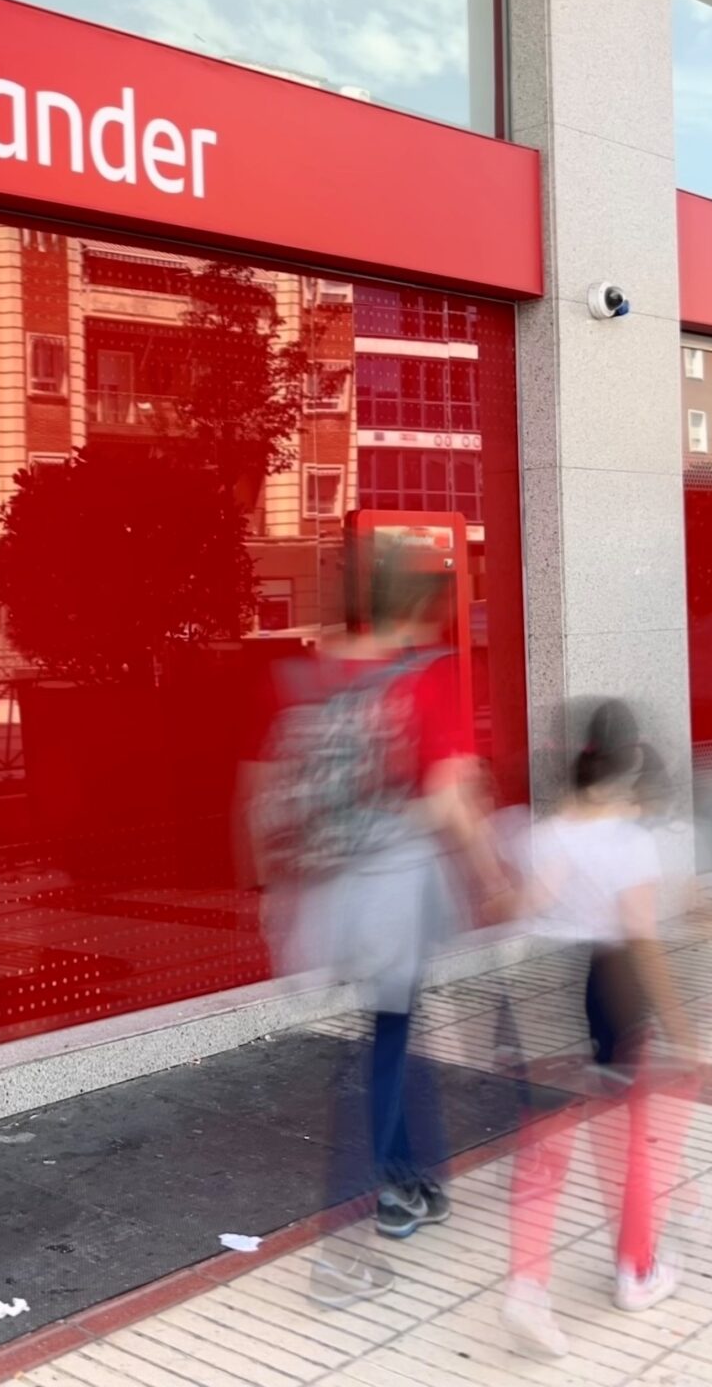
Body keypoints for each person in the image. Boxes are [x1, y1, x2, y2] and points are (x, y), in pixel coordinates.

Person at [253, 544, 510, 1307]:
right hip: (394, 887)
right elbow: (452, 795)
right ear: (417, 603)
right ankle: (379, 1201)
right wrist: (495, 879)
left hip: (329, 889)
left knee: (393, 1032)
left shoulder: (310, 674)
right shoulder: (423, 677)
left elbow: (264, 788)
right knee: (389, 1041)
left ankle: (411, 1175)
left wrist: (274, 887)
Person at [501, 700, 698, 1357]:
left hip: (537, 983)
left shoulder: (543, 833)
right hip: (607, 990)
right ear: (632, 760)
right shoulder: (631, 843)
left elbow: (525, 905)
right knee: (626, 1144)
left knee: (543, 1145)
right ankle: (636, 1270)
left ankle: (527, 1288)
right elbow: (641, 939)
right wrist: (681, 1028)